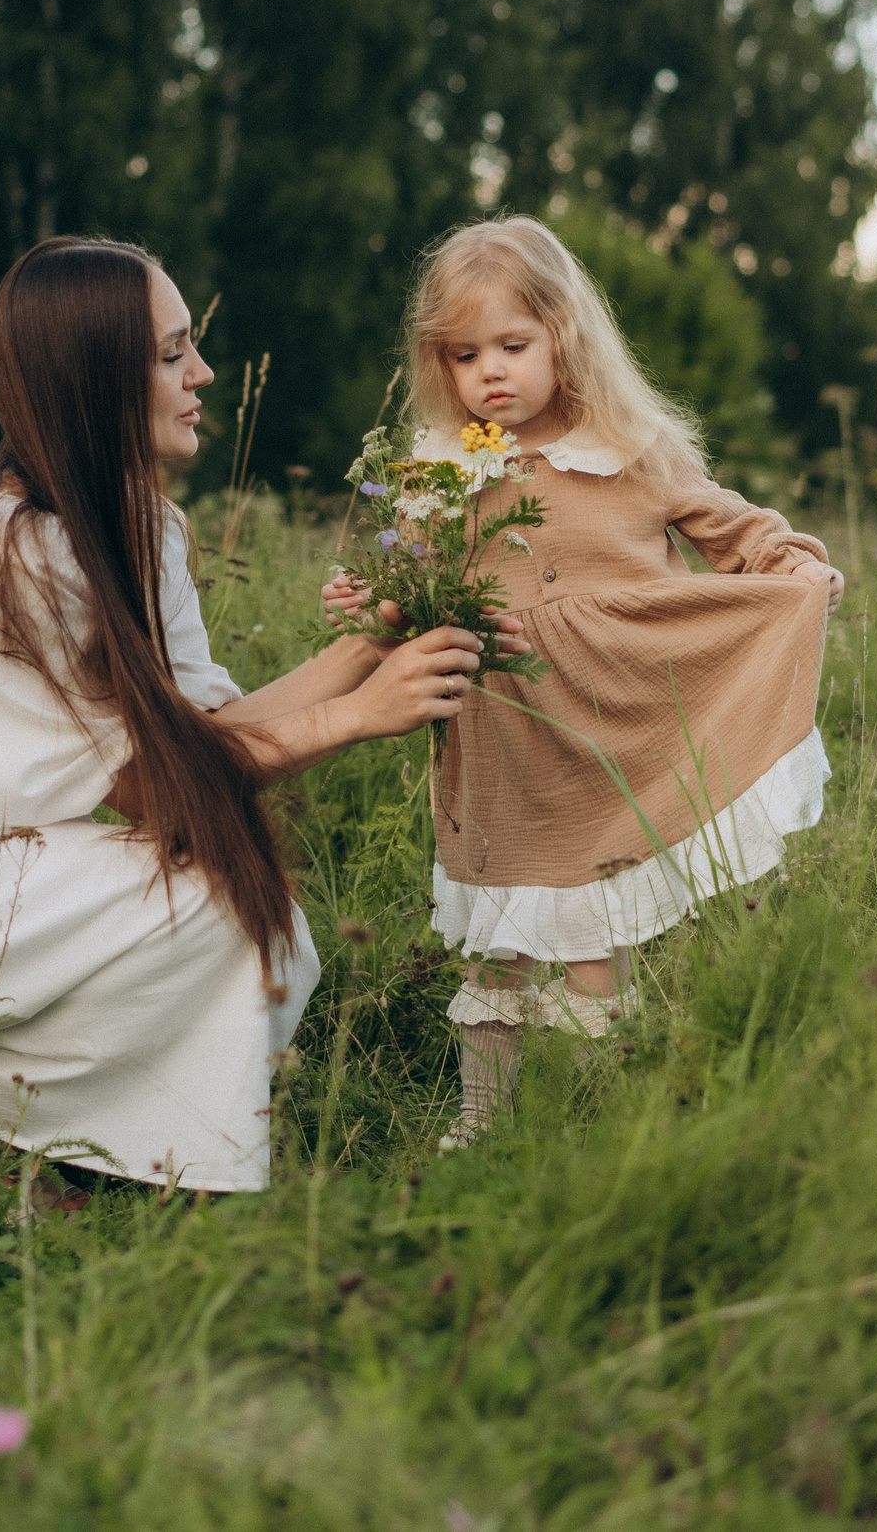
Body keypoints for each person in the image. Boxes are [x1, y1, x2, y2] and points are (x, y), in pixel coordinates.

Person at [0, 236, 518, 1194]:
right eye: (174, 352)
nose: (203, 373)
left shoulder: (143, 526)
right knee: (222, 908)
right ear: (100, 380)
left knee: (264, 927)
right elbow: (158, 790)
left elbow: (201, 735)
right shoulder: (1, 543)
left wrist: (366, 652)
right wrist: (354, 717)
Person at [322, 217, 842, 1146]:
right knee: (503, 938)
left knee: (594, 931)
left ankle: (581, 1117)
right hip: (505, 732)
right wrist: (372, 603)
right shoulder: (442, 473)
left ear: (565, 335)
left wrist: (791, 561)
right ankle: (482, 1119)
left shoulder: (629, 451)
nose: (490, 371)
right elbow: (416, 596)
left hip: (616, 719)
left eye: (513, 346)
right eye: (465, 353)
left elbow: (734, 530)